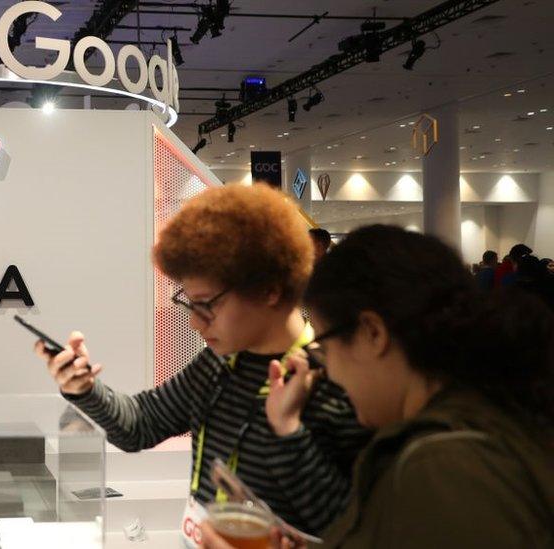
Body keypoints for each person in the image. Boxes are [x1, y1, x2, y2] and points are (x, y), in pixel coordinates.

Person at [35, 184, 371, 542]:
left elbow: (349, 524)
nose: (195, 322)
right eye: (189, 303)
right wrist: (84, 389)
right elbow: (140, 425)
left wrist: (288, 433)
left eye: (207, 303)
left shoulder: (336, 380)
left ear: (269, 290)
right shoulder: (216, 364)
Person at [201, 225, 554, 548]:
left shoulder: (444, 468)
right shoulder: (487, 419)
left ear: (372, 333)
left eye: (325, 349)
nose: (330, 373)